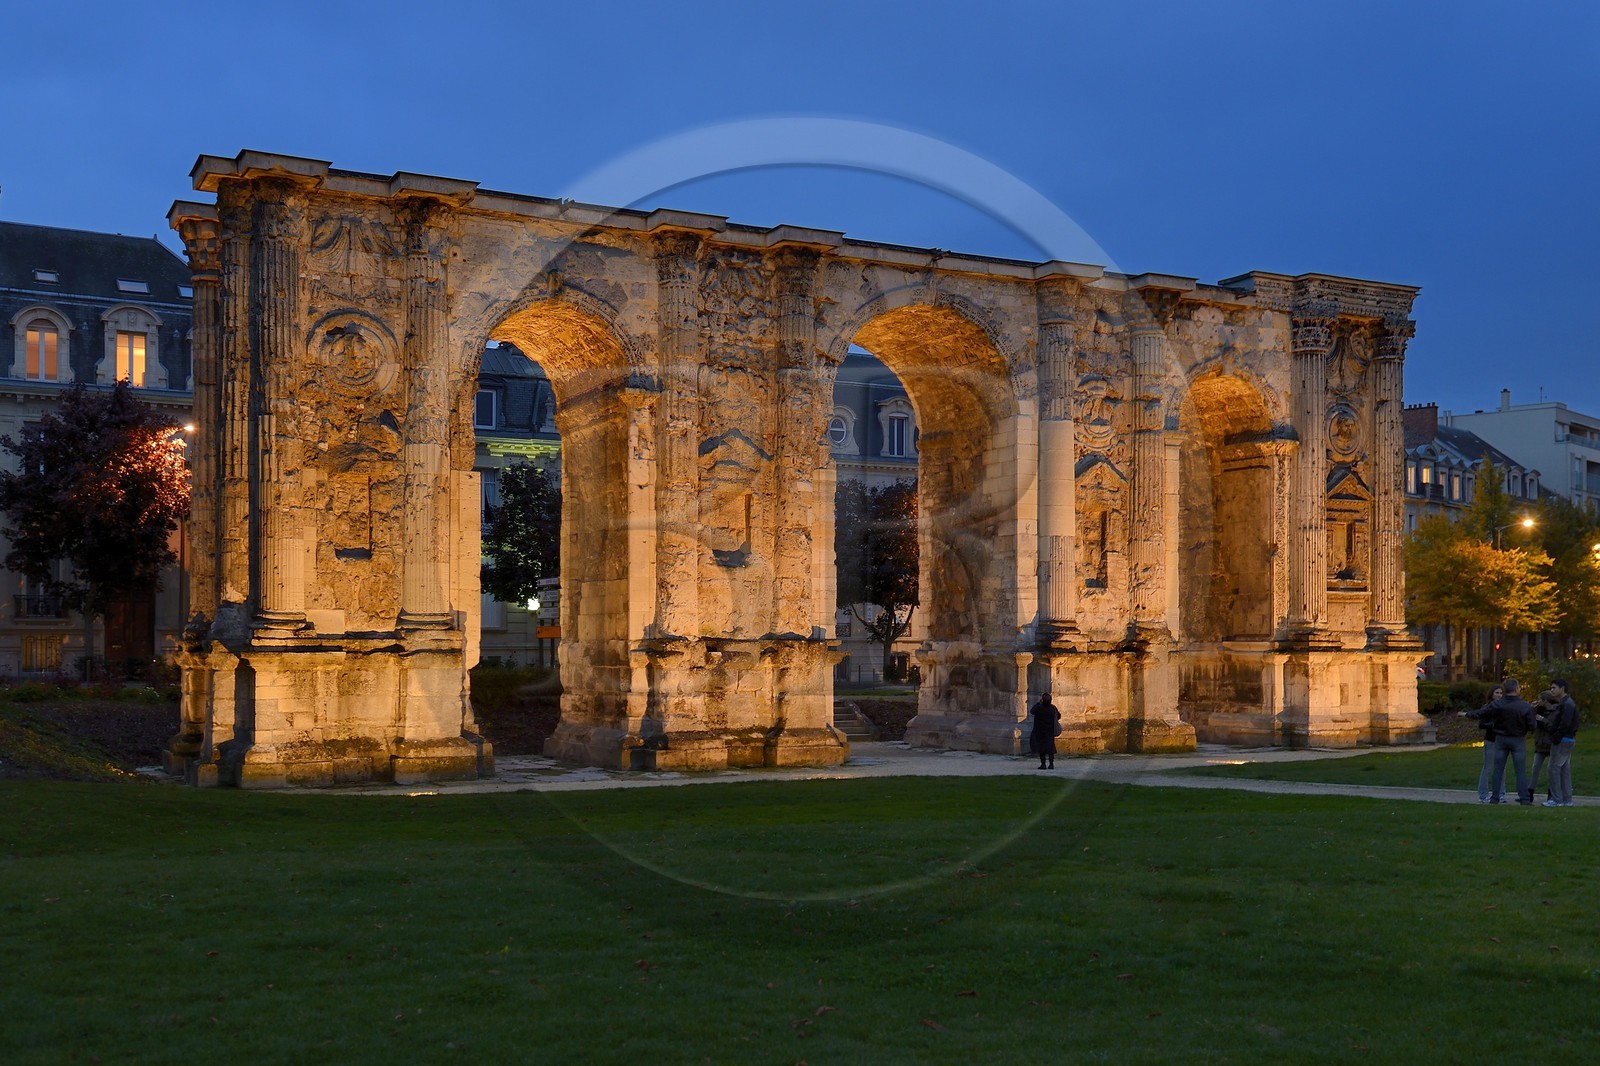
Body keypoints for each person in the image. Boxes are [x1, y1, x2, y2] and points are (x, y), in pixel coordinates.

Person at [1486, 678, 1536, 804]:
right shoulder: (1524, 706)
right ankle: (1524, 798)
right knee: (1520, 771)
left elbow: (1483, 713)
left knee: (1498, 770)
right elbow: (1532, 725)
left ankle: (1495, 797)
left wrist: (1467, 714)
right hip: (1517, 739)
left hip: (1501, 738)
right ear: (1516, 689)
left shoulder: (1498, 704)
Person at [1458, 685, 1503, 803]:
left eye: (1500, 693)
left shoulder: (1504, 707)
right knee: (1488, 767)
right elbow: (1481, 724)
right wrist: (1493, 725)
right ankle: (1483, 794)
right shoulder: (1488, 707)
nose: (1499, 695)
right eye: (1497, 693)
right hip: (1491, 739)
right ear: (1492, 694)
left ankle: (1501, 793)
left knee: (1501, 768)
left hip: (1501, 740)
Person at [1539, 678, 1580, 807]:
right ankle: (1567, 799)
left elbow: (1564, 724)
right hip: (1567, 739)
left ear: (1562, 689)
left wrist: (1556, 737)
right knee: (1564, 769)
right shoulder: (1568, 703)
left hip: (1562, 739)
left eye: (1554, 688)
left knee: (1553, 768)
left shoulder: (1566, 704)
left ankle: (1556, 799)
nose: (1552, 690)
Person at [1029, 692, 1061, 770]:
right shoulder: (1053, 708)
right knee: (1050, 748)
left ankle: (1043, 764)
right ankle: (1051, 764)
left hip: (1040, 731)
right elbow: (1059, 716)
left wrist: (1038, 703)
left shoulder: (1039, 708)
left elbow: (1032, 711)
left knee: (1041, 748)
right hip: (1050, 730)